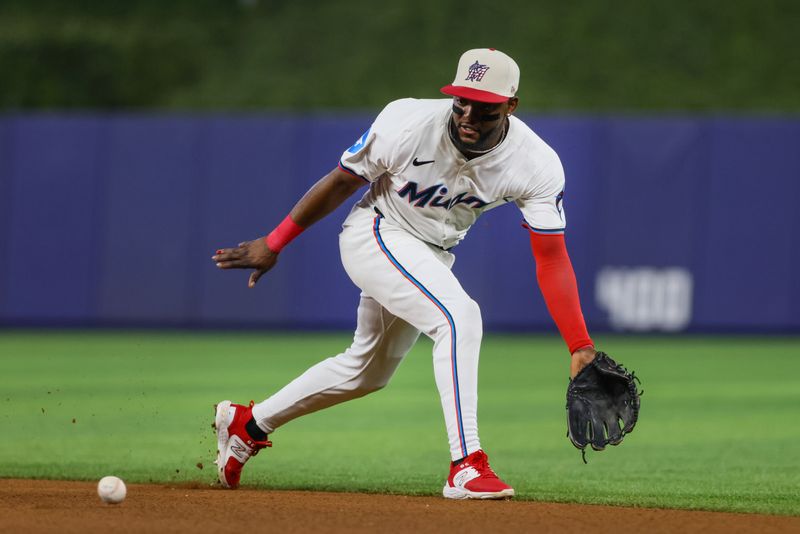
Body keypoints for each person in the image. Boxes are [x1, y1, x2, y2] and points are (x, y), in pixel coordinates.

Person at [211, 48, 597, 500]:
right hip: (375, 231)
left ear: (511, 105)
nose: (469, 113)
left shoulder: (536, 162)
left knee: (367, 372)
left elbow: (551, 258)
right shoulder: (408, 122)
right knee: (459, 317)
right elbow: (340, 182)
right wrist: (274, 242)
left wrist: (579, 345)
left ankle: (248, 424)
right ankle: (467, 465)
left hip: (432, 254)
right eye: (461, 101)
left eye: (485, 105)